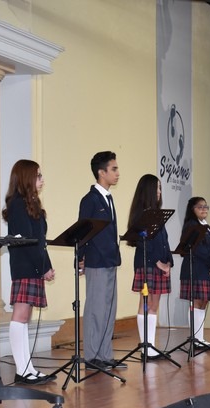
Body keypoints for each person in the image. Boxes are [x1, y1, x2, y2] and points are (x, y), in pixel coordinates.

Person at [1, 159, 57, 385]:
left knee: (25, 319)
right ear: (26, 178)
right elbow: (28, 241)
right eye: (38, 176)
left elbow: (40, 241)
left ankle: (27, 368)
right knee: (20, 317)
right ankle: (22, 369)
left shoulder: (30, 203)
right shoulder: (18, 205)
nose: (41, 180)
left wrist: (47, 266)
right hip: (25, 266)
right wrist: (43, 268)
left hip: (34, 265)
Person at [78, 151, 125, 370]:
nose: (117, 173)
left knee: (109, 309)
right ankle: (92, 357)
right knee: (96, 309)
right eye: (113, 169)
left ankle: (105, 354)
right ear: (101, 172)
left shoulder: (108, 198)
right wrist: (80, 258)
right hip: (96, 261)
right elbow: (83, 231)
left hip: (110, 260)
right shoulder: (90, 200)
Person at [125, 174, 173, 359]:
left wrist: (169, 262)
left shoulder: (158, 216)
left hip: (160, 266)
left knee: (154, 305)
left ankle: (151, 345)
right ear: (149, 191)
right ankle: (146, 347)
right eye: (158, 188)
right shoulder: (141, 215)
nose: (160, 192)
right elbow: (143, 243)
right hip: (148, 265)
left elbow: (164, 242)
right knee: (146, 304)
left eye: (160, 189)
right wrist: (158, 263)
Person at [178, 196, 210, 349]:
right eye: (200, 207)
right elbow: (198, 249)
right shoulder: (191, 225)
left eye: (206, 206)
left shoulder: (207, 226)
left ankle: (200, 338)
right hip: (195, 269)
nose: (204, 209)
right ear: (192, 210)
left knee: (203, 303)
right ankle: (195, 338)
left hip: (206, 269)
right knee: (197, 302)